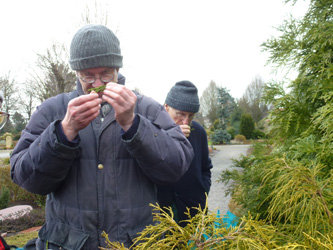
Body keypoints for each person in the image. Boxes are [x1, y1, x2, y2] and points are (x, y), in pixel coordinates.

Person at [10, 24, 194, 249]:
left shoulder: (147, 108)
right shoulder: (52, 110)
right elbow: (26, 177)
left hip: (136, 243)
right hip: (68, 243)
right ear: (76, 72)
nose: (97, 85)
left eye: (105, 73)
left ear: (117, 68)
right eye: (88, 75)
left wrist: (133, 124)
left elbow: (176, 166)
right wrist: (64, 131)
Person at [157, 81, 213, 226]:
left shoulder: (198, 131)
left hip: (194, 211)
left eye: (191, 116)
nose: (185, 121)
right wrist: (170, 136)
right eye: (180, 114)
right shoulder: (154, 131)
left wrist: (203, 190)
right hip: (163, 214)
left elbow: (205, 168)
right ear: (166, 107)